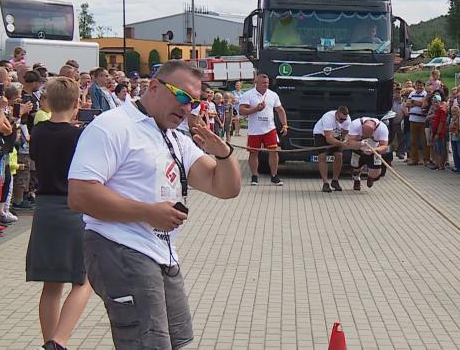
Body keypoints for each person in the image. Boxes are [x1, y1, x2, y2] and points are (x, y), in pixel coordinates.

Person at [67, 60, 241, 349]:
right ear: (155, 87)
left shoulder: (174, 137)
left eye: (195, 102)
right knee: (145, 343)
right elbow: (80, 194)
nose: (188, 108)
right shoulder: (113, 126)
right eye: (182, 96)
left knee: (176, 340)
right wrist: (149, 212)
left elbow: (223, 188)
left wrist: (224, 154)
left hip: (161, 252)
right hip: (120, 247)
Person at [26, 77, 91, 350]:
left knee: (51, 285)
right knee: (83, 279)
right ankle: (59, 340)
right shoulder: (80, 135)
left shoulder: (38, 131)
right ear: (77, 104)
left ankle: (48, 340)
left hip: (44, 209)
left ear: (47, 102)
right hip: (72, 208)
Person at [239, 74, 288, 186]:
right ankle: (254, 176)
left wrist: (285, 125)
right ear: (257, 83)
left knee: (274, 151)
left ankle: (274, 176)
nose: (266, 85)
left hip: (270, 128)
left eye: (267, 83)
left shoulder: (273, 95)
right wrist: (256, 109)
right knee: (253, 152)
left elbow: (280, 110)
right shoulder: (248, 94)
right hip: (254, 130)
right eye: (263, 83)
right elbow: (241, 110)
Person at [313, 106, 351, 192]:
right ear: (336, 114)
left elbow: (345, 133)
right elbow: (328, 139)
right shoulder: (328, 118)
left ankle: (335, 180)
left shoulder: (347, 120)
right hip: (321, 134)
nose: (342, 121)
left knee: (339, 155)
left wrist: (344, 140)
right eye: (340, 119)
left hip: (336, 134)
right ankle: (325, 183)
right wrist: (341, 143)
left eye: (344, 119)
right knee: (322, 156)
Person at [345, 116, 389, 190]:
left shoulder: (382, 128)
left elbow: (384, 146)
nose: (365, 136)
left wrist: (374, 150)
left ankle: (371, 177)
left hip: (374, 150)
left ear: (374, 130)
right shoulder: (355, 124)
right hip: (358, 149)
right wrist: (359, 143)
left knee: (376, 174)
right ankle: (356, 179)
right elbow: (350, 142)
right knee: (355, 168)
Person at [406, 80, 429, 166]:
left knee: (424, 141)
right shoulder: (412, 93)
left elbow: (423, 104)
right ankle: (414, 159)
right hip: (413, 119)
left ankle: (426, 159)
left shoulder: (426, 94)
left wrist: (413, 102)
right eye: (418, 85)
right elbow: (407, 104)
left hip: (423, 120)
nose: (419, 87)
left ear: (423, 86)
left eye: (421, 86)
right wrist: (416, 103)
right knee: (413, 141)